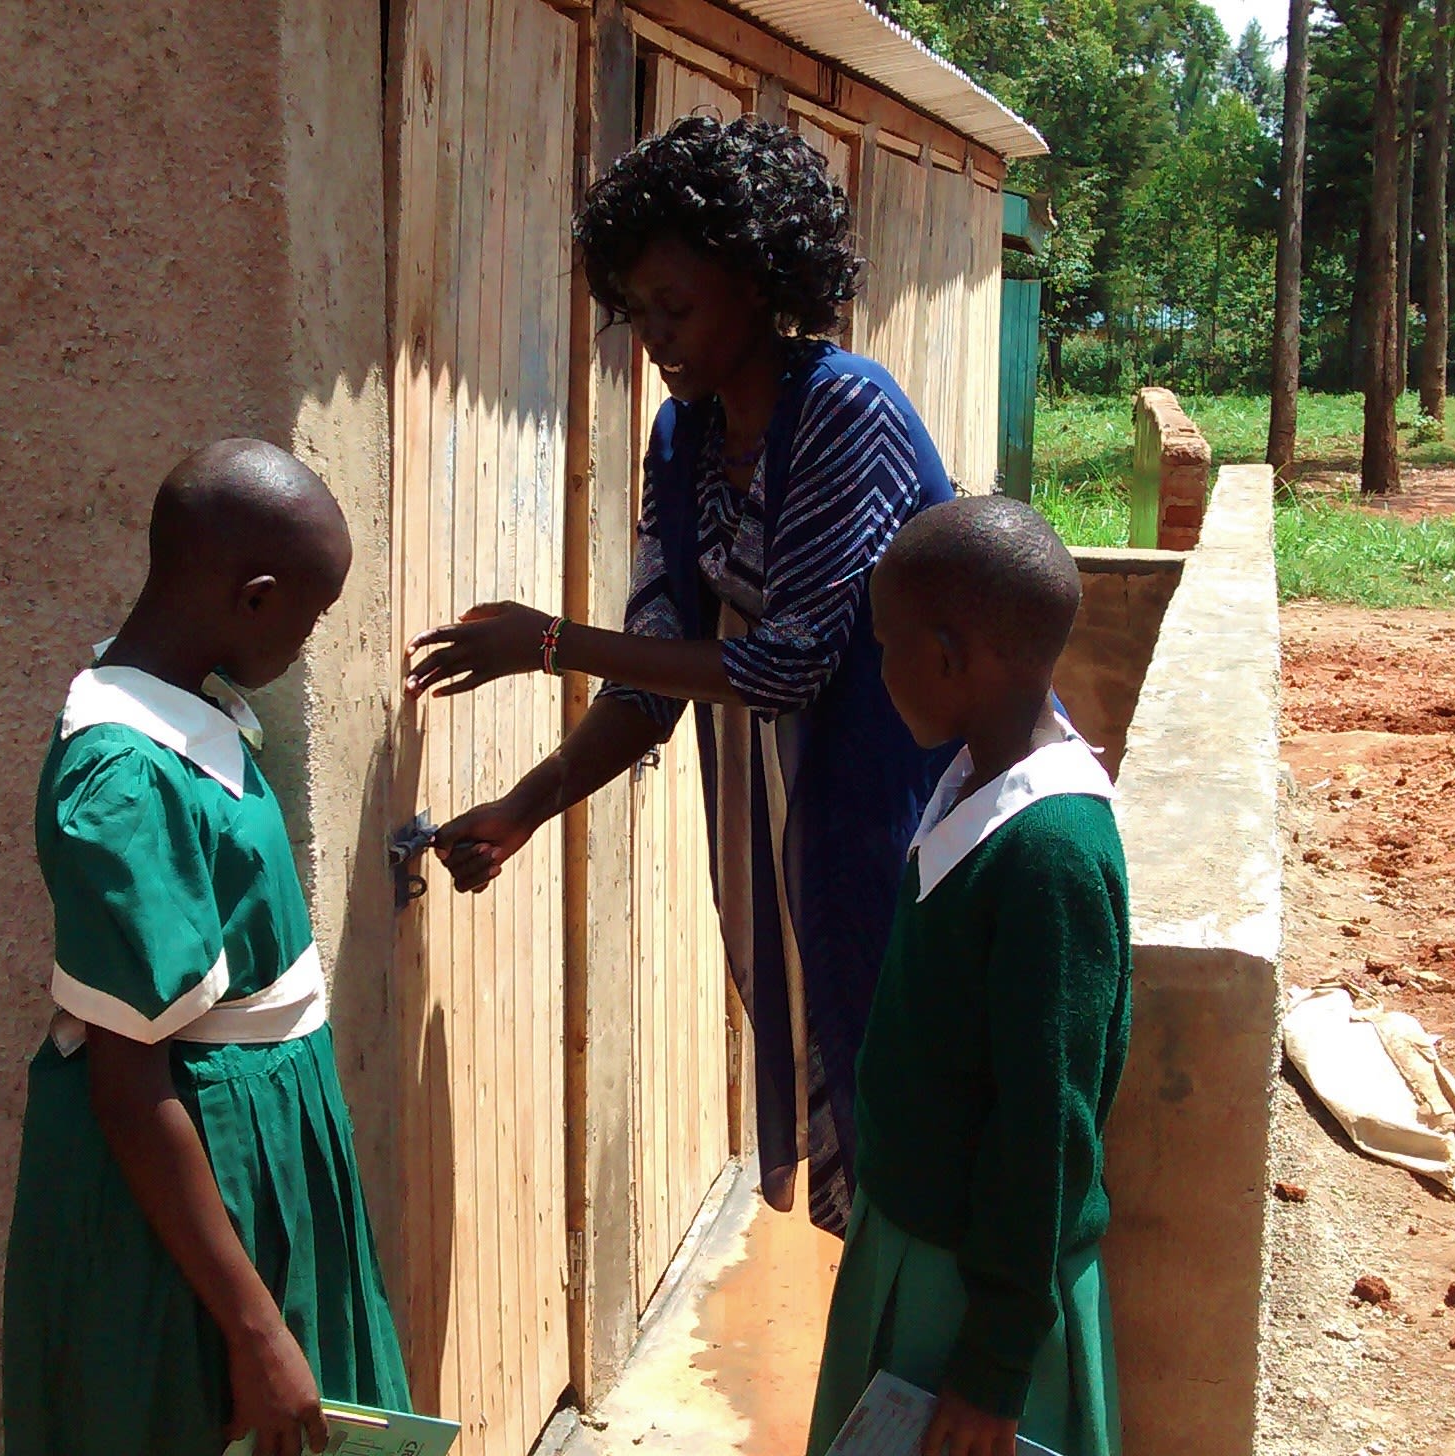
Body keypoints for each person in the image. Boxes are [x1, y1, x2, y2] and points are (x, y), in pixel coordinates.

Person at [403, 114, 957, 1235]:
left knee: (911, 1093)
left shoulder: (844, 409)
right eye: (635, 309)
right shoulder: (685, 437)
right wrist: (521, 810)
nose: (652, 335)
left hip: (898, 809)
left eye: (676, 305)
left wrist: (549, 641)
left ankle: (947, 1380)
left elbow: (787, 662)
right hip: (795, 828)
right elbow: (658, 675)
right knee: (851, 1082)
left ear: (757, 279)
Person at [3, 440, 411, 1456]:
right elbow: (126, 1077)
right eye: (311, 619)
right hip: (192, 1202)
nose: (309, 642)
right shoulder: (122, 781)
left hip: (260, 1153)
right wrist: (255, 1325)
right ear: (256, 598)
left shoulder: (190, 708)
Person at [806, 496, 1132, 1456]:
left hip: (974, 1305)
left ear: (952, 656)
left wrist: (993, 1369)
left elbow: (1047, 1129)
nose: (879, 668)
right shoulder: (970, 787)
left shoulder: (1050, 855)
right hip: (914, 1252)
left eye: (888, 644)